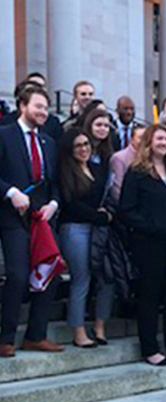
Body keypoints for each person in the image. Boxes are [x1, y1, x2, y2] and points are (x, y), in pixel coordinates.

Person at [118, 123, 166, 367]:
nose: (164, 142)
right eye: (159, 138)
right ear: (149, 141)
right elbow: (127, 210)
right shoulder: (136, 172)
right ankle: (150, 347)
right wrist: (153, 226)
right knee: (150, 295)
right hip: (150, 244)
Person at [0, 84, 59, 358]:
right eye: (38, 106)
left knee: (49, 272)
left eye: (46, 108)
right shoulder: (5, 136)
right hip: (12, 217)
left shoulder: (48, 142)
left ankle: (37, 335)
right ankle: (6, 338)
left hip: (41, 219)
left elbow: (54, 182)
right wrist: (11, 192)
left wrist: (53, 204)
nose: (43, 112)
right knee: (16, 275)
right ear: (23, 106)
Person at [58, 118, 112, 349]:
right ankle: (78, 331)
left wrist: (104, 215)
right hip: (75, 230)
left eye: (86, 144)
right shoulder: (65, 171)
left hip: (98, 230)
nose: (84, 149)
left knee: (107, 278)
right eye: (78, 145)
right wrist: (99, 215)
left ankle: (100, 326)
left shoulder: (98, 169)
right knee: (81, 278)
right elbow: (71, 204)